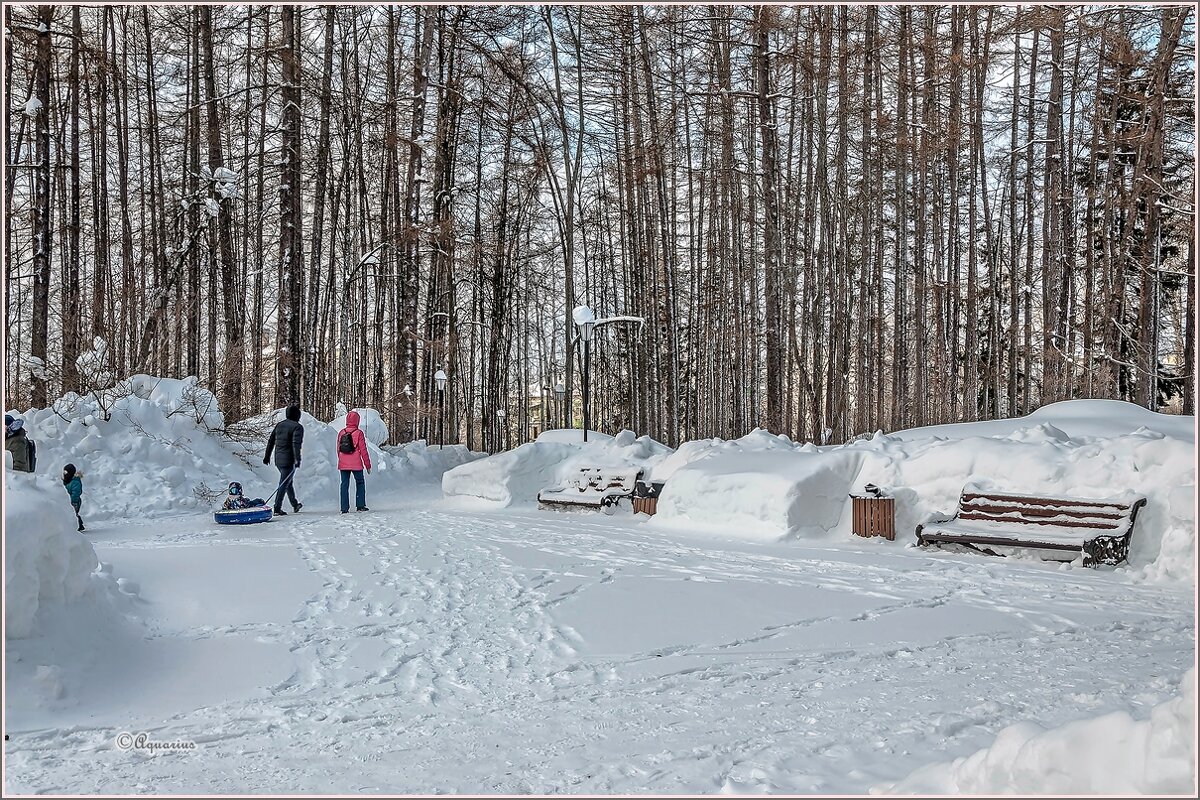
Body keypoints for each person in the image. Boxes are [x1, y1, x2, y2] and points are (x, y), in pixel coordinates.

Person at [263, 404, 304, 516]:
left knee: (287, 481)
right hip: (289, 460)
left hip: (278, 459)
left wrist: (267, 456)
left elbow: (271, 441)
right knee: (284, 483)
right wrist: (297, 459)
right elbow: (296, 444)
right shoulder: (297, 427)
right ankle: (277, 507)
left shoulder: (279, 425)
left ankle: (295, 504)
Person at [336, 410, 372, 513]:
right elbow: (363, 450)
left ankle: (344, 508)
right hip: (356, 464)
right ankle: (360, 505)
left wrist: (341, 459)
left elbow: (338, 449)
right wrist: (367, 465)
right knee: (360, 482)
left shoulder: (341, 433)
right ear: (357, 421)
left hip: (343, 464)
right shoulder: (359, 433)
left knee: (344, 484)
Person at [62, 463, 85, 532]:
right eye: (64, 472)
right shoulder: (66, 481)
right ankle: (79, 525)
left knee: (73, 513)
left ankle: (78, 525)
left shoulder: (75, 482)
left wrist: (72, 501)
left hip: (75, 502)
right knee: (72, 513)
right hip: (68, 501)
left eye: (66, 472)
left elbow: (76, 493)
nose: (64, 474)